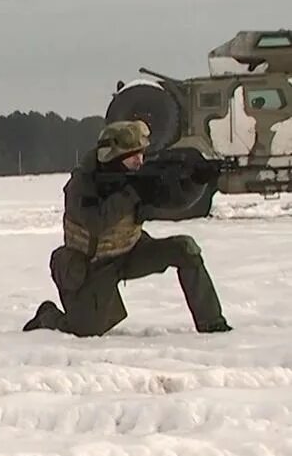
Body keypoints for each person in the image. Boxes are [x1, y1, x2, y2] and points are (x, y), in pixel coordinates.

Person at [23, 119, 231, 337]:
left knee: (185, 249)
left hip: (131, 251)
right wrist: (132, 193)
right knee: (85, 332)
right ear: (114, 157)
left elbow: (175, 204)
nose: (140, 162)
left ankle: (212, 324)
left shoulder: (134, 179)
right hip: (91, 265)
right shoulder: (82, 185)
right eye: (133, 157)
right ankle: (47, 316)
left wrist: (195, 182)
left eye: (142, 154)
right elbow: (96, 222)